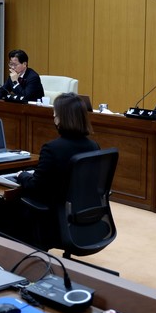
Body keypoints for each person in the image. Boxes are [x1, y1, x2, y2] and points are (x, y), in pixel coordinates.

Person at [15, 93, 99, 247]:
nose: (53, 117)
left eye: (55, 113)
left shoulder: (52, 149)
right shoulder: (94, 147)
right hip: (84, 216)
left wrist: (23, 175)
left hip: (55, 220)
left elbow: (36, 186)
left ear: (61, 118)